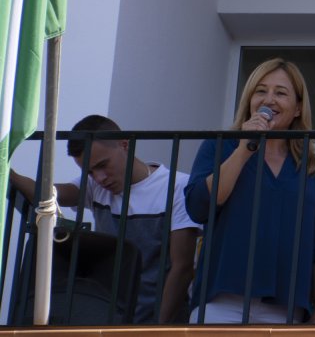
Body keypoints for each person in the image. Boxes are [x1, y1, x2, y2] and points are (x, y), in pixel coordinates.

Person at [184, 58, 315, 324]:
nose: (269, 100)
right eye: (261, 91)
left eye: (281, 93)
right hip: (221, 303)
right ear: (249, 100)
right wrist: (244, 147)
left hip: (284, 309)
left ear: (298, 108)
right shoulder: (220, 146)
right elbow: (199, 206)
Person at [10, 115, 200, 323]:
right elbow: (48, 195)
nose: (99, 178)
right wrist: (7, 171)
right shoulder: (94, 186)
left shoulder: (178, 187)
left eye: (103, 165)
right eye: (90, 172)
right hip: (109, 319)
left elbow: (182, 267)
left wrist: (156, 329)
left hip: (158, 323)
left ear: (125, 145)